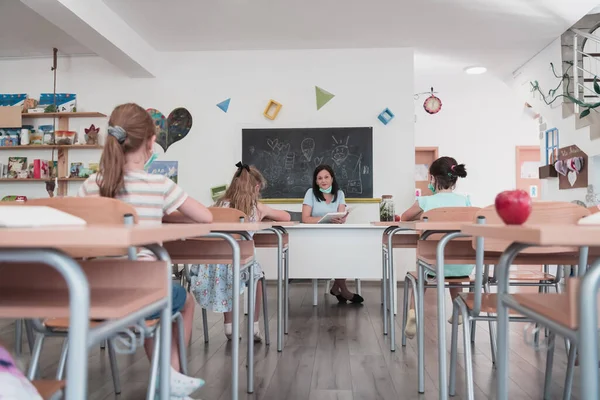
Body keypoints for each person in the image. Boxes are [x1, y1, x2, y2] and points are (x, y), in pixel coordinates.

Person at [78, 103, 213, 399]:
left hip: (93, 295)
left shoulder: (90, 186)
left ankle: (167, 375)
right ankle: (171, 376)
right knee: (183, 301)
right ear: (151, 142)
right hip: (143, 294)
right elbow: (205, 217)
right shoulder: (158, 184)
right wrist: (164, 211)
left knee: (157, 300)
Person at [190, 162, 291, 341]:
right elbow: (286, 217)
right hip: (240, 263)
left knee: (227, 277)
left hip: (212, 264)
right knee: (256, 276)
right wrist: (266, 212)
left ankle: (229, 327)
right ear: (257, 187)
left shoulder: (218, 204)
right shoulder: (255, 207)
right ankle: (253, 326)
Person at [400, 156, 471, 339]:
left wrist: (422, 218)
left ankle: (413, 312)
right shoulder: (466, 202)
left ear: (432, 178)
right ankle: (459, 308)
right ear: (454, 179)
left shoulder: (425, 202)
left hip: (432, 266)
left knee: (421, 274)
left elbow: (404, 217)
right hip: (462, 265)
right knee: (455, 273)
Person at [301, 164, 364, 304]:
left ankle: (337, 288)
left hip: (335, 235)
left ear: (332, 178)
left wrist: (341, 218)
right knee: (338, 252)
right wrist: (325, 220)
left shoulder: (339, 194)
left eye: (326, 177)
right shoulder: (310, 193)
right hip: (315, 238)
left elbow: (341, 214)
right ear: (316, 181)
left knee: (349, 251)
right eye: (320, 178)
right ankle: (344, 291)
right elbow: (305, 218)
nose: (323, 181)